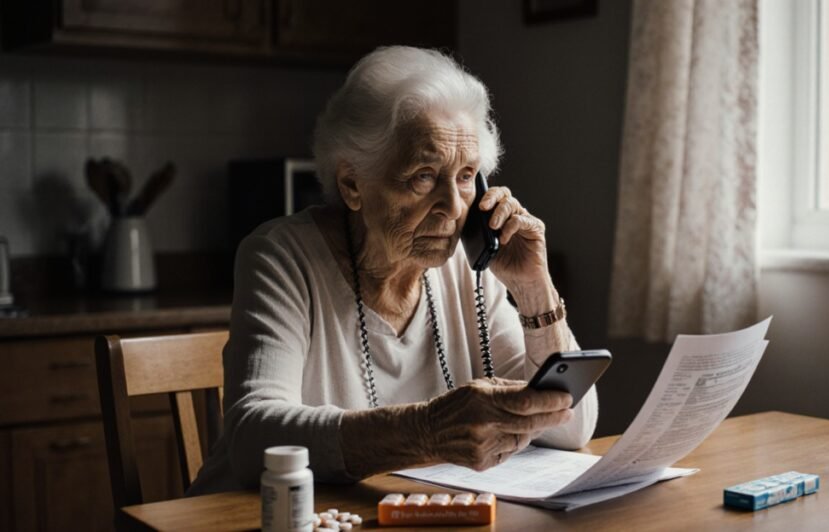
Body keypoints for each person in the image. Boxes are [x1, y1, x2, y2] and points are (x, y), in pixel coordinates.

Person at [188, 46, 598, 495]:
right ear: (352, 183)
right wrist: (426, 430)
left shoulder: (466, 266)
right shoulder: (281, 256)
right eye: (423, 175)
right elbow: (254, 437)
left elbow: (570, 428)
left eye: (465, 175)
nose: (454, 207)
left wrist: (534, 287)